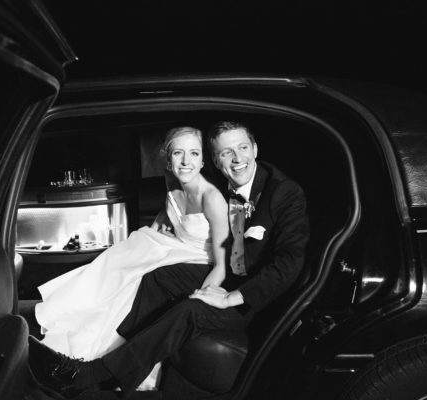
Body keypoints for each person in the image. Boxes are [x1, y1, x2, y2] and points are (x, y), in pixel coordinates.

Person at [29, 121, 310, 399]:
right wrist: (167, 225)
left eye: (243, 148)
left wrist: (229, 298)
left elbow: (289, 265)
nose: (237, 159)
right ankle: (116, 356)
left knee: (190, 309)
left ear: (255, 149)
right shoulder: (221, 180)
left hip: (255, 298)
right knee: (156, 277)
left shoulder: (283, 192)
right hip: (231, 270)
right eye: (227, 152)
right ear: (215, 160)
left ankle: (90, 376)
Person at [30, 126, 229, 390]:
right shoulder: (172, 181)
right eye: (178, 153)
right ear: (168, 159)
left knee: (149, 276)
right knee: (120, 259)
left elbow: (222, 266)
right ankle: (93, 344)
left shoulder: (213, 199)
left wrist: (202, 297)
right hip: (178, 248)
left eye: (194, 153)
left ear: (203, 160)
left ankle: (106, 362)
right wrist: (157, 229)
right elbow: (169, 210)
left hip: (205, 263)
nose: (186, 161)